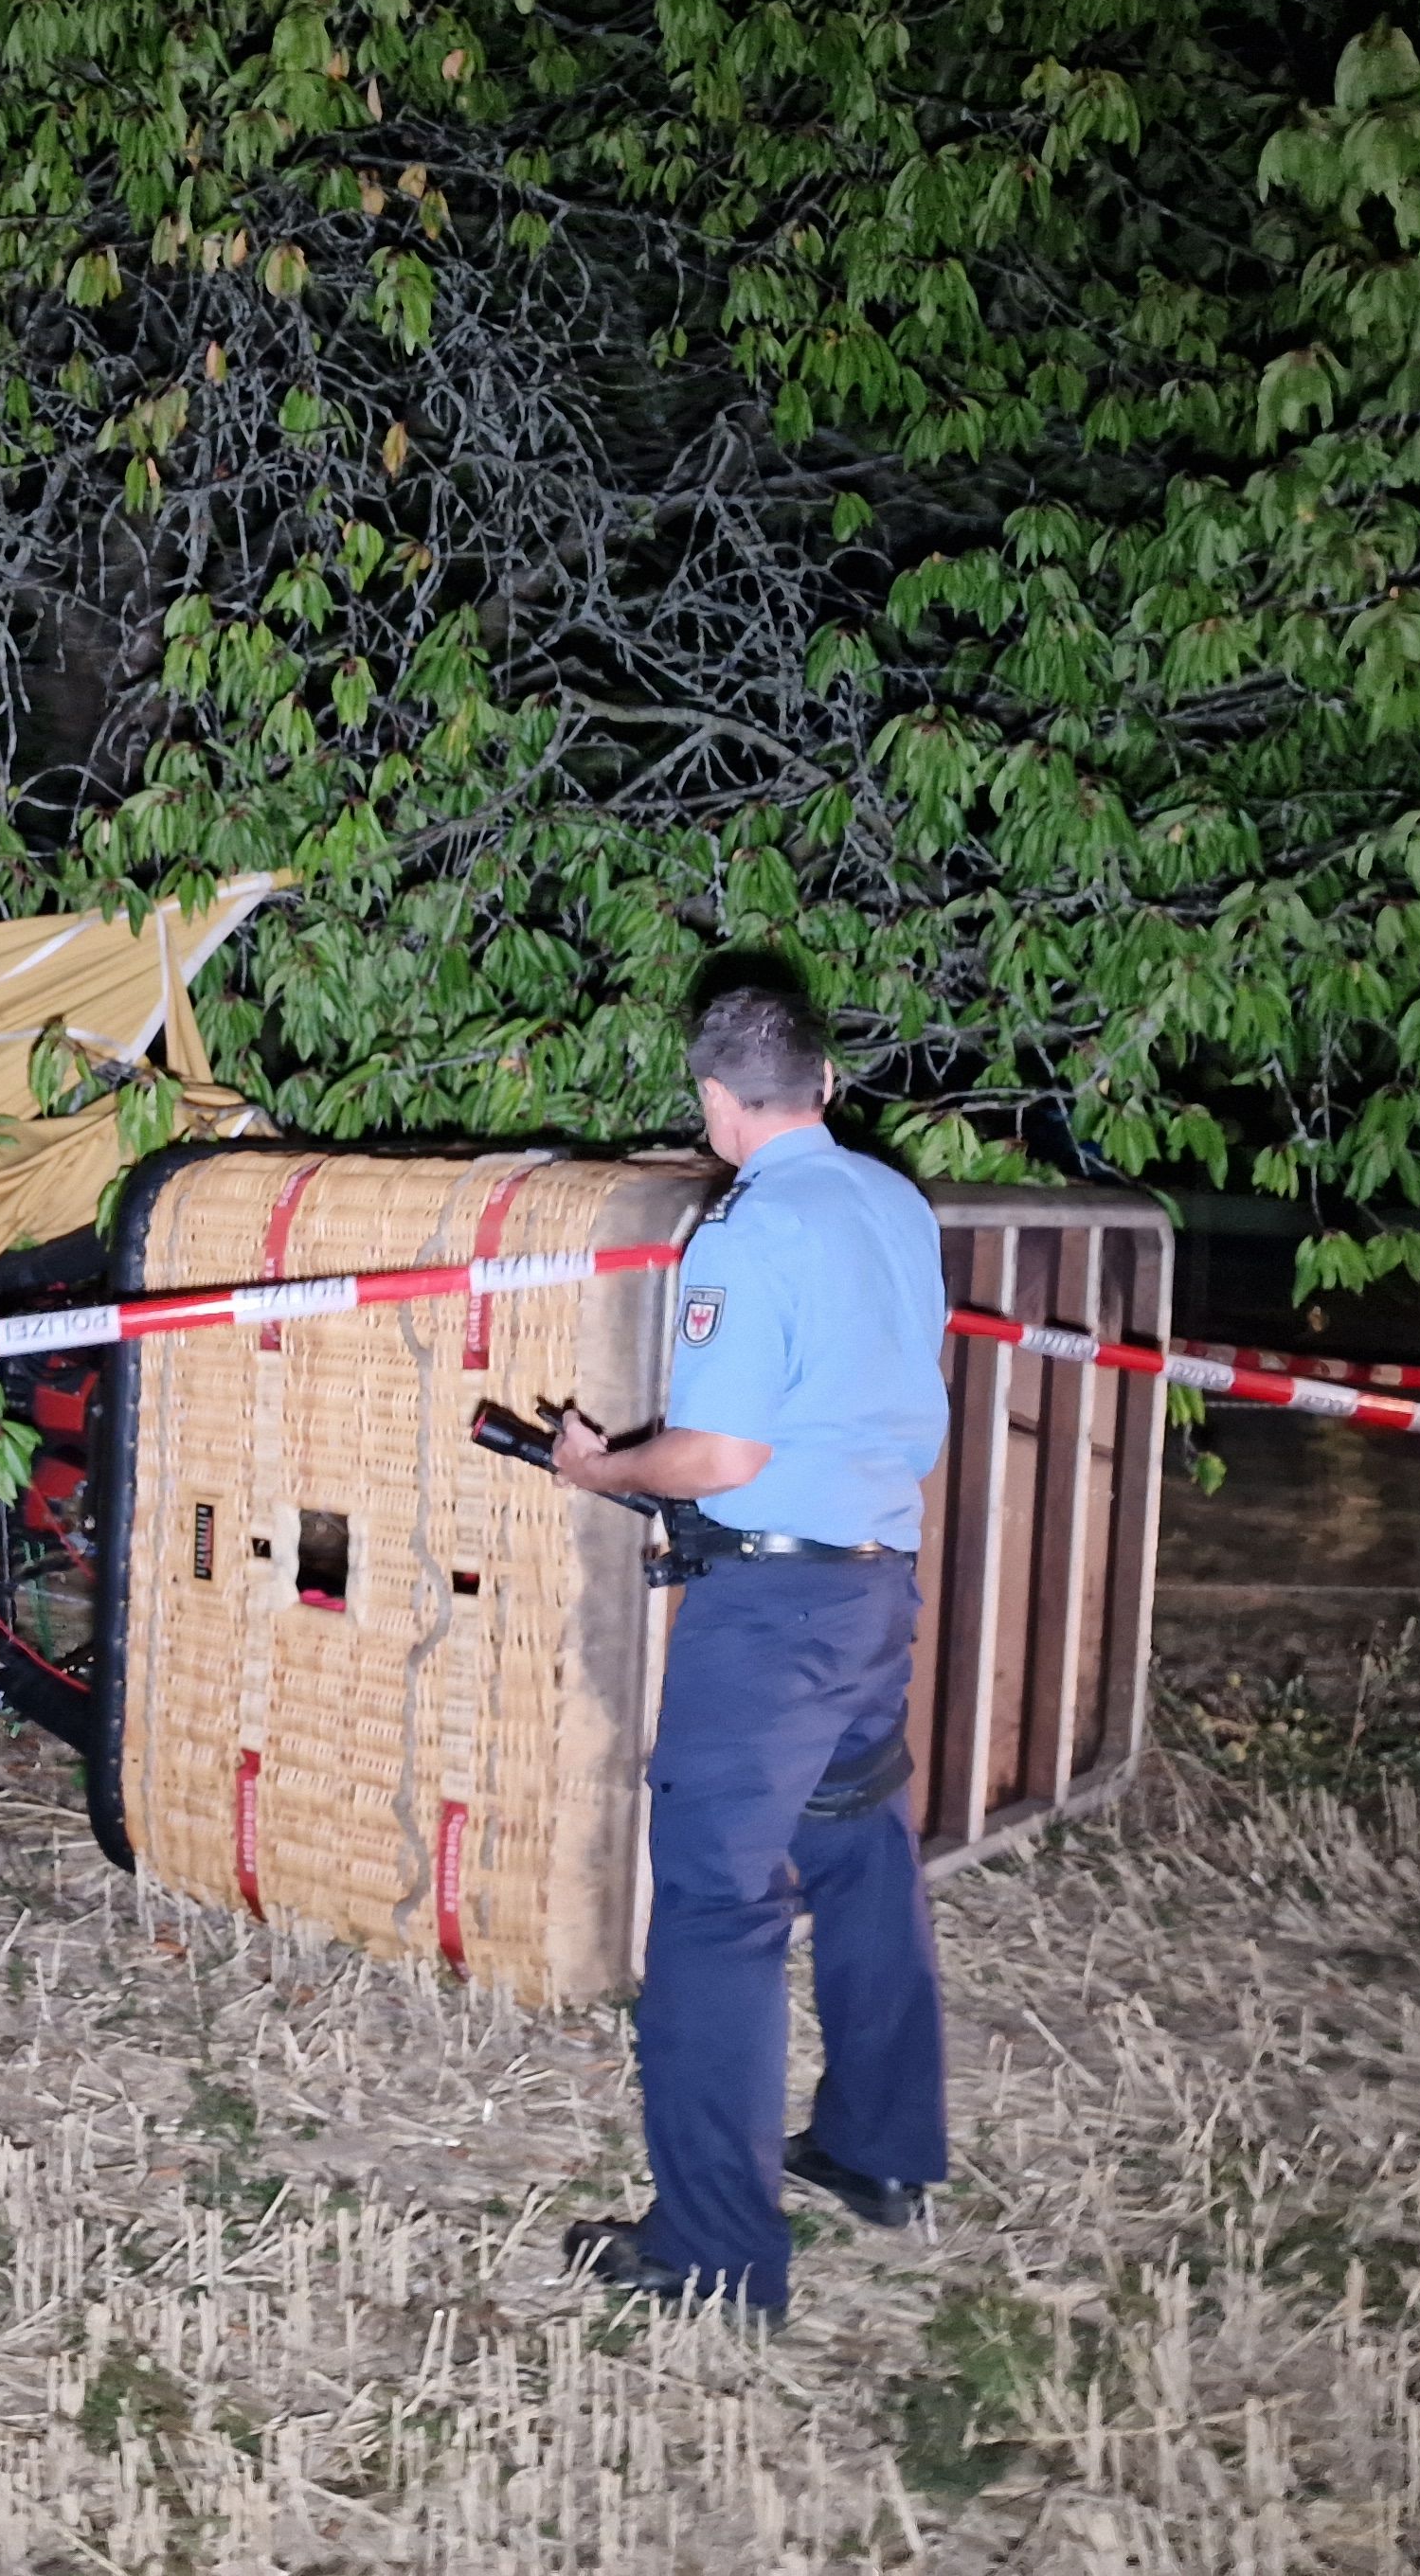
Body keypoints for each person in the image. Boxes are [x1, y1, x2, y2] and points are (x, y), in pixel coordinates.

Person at [548, 981, 953, 2321]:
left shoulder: (746, 1231)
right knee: (860, 1855)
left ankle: (715, 2250)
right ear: (826, 1085)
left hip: (771, 1620)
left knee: (717, 1914)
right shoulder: (891, 1201)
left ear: (717, 1105)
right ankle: (878, 2154)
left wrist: (608, 1471)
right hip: (876, 1589)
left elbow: (723, 1458)